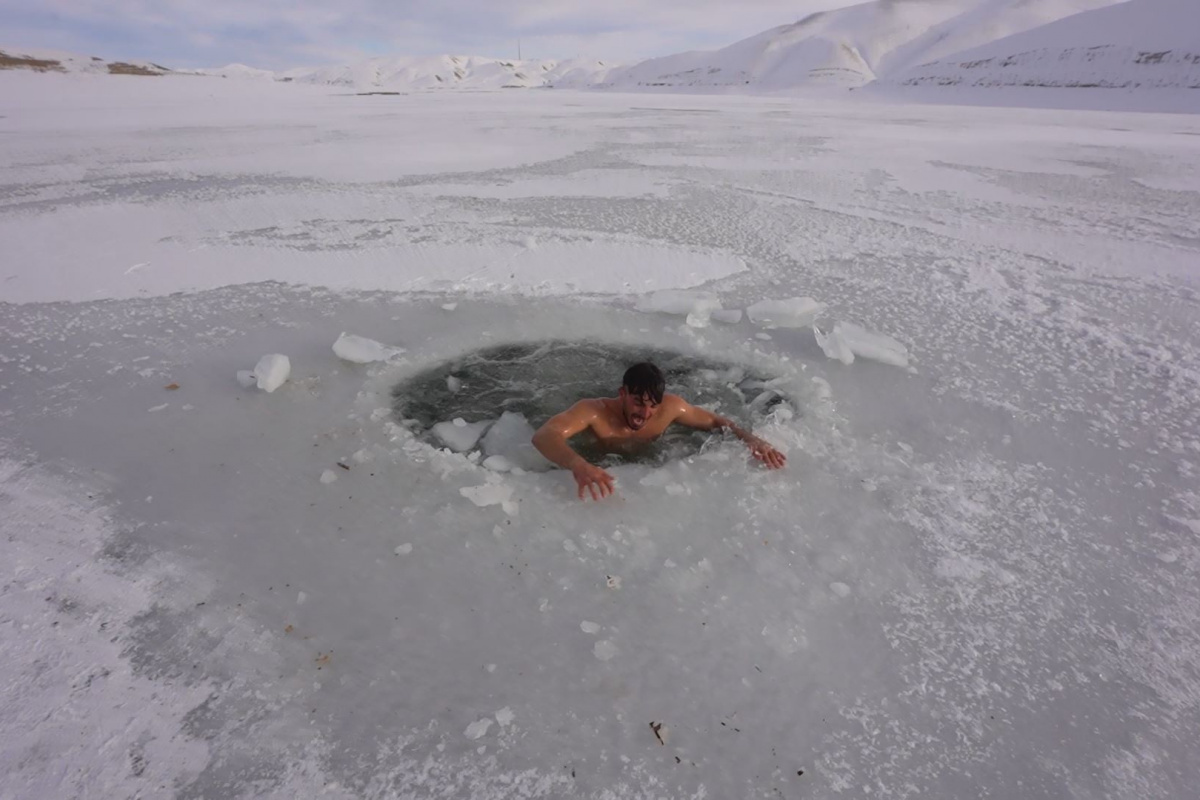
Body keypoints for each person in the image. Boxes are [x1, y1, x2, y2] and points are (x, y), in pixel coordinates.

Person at [531, 362, 787, 501]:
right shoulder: (593, 411)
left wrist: (752, 439)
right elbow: (544, 436)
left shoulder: (671, 408)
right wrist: (579, 464)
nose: (645, 414)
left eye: (652, 405)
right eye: (638, 402)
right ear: (623, 394)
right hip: (601, 464)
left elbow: (717, 422)